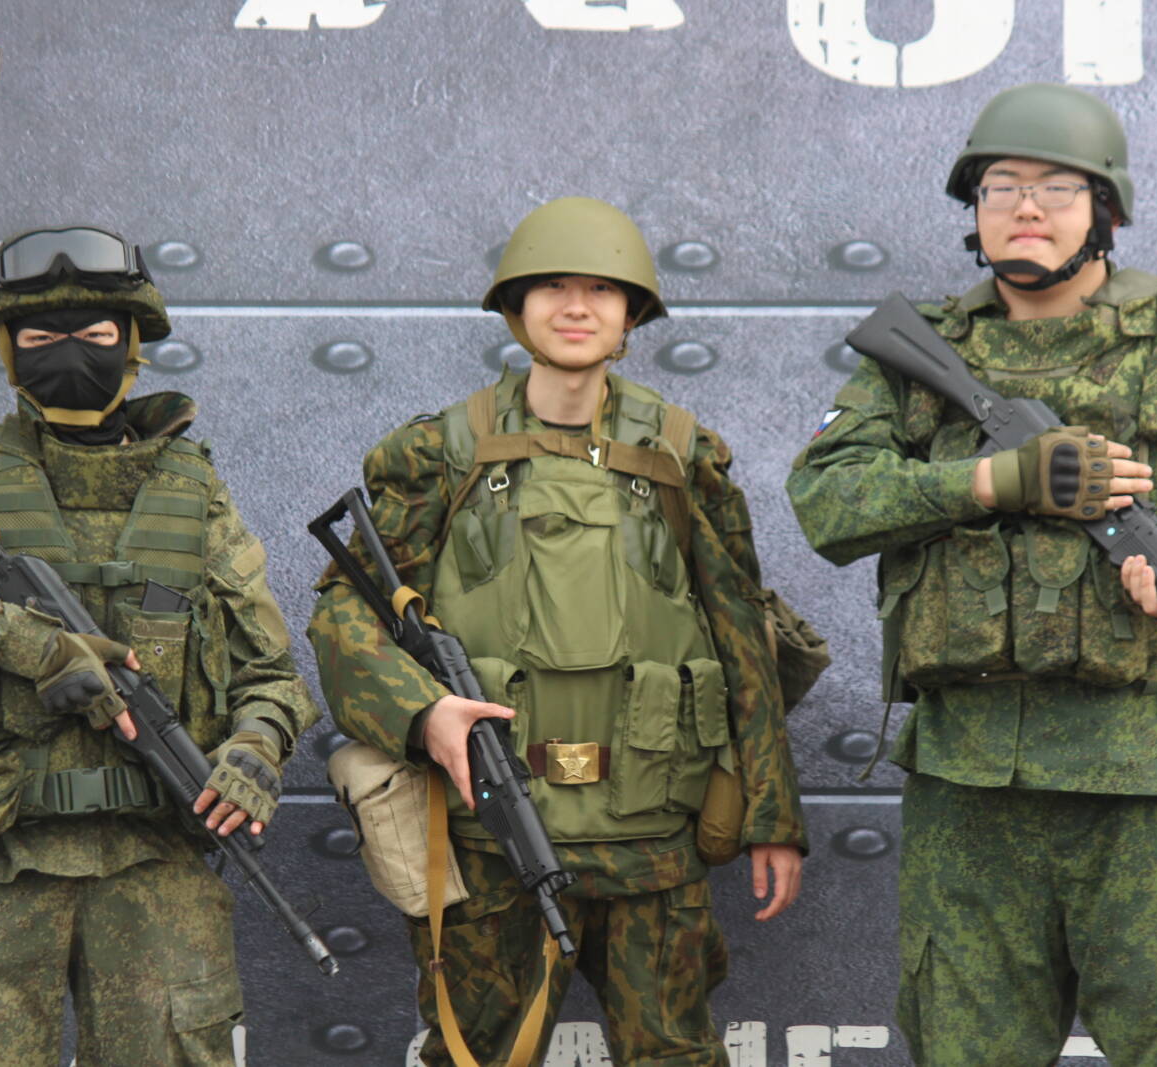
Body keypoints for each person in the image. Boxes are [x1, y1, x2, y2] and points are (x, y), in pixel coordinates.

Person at [786, 84, 1157, 1065]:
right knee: (965, 1046)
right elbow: (826, 499)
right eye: (1001, 186)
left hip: (1144, 780)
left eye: (1056, 187)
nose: (1026, 208)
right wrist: (994, 480)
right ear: (974, 209)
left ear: (1105, 210)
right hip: (969, 784)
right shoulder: (919, 354)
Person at [308, 196, 806, 1065]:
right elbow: (346, 614)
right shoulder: (437, 453)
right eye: (553, 288)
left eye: (602, 290)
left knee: (677, 1056)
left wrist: (773, 816)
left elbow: (742, 635)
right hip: (492, 838)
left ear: (632, 313)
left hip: (653, 846)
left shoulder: (684, 454)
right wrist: (424, 713)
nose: (577, 307)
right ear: (516, 306)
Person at [0, 225, 320, 1065]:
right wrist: (39, 646)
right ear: (7, 351)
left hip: (155, 862)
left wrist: (255, 748)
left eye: (96, 332)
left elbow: (273, 674)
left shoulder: (195, 492)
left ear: (132, 342)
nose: (70, 351)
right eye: (41, 335)